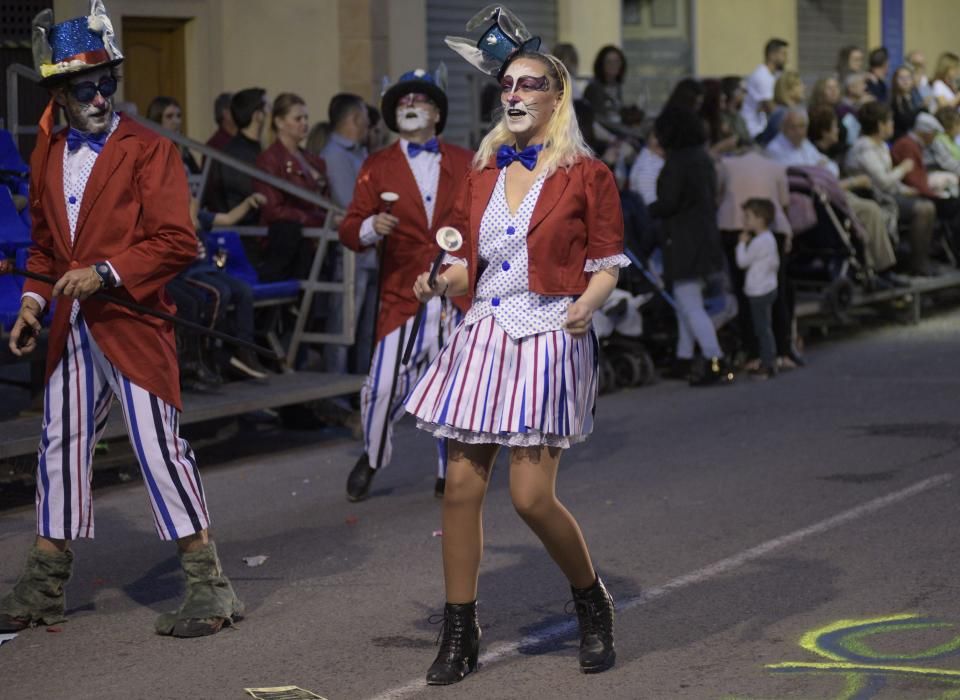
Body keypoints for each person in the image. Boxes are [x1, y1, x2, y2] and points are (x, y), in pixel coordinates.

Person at [0, 1, 242, 638]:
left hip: (133, 323)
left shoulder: (150, 149)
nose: (101, 96)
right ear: (59, 91)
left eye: (108, 82)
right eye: (87, 87)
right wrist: (32, 301)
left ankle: (207, 585)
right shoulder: (47, 151)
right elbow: (46, 247)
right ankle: (45, 582)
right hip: (72, 328)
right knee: (60, 447)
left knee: (158, 449)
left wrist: (106, 271)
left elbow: (176, 241)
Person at [408, 6, 626, 684]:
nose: (515, 93)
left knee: (530, 498)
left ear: (557, 95)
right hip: (486, 332)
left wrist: (586, 308)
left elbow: (608, 264)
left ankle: (592, 601)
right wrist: (440, 281)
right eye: (508, 84)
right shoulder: (482, 174)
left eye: (530, 83)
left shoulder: (587, 175)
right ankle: (459, 630)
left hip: (551, 331)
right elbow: (469, 265)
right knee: (461, 490)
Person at [338, 68, 473, 502]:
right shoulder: (376, 166)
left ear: (437, 113)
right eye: (402, 103)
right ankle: (373, 456)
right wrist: (371, 226)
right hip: (403, 293)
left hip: (455, 291)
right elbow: (348, 228)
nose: (410, 107)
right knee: (381, 385)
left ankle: (446, 470)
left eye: (419, 102)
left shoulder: (467, 160)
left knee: (453, 385)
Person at [649, 106, 731, 385]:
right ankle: (684, 358)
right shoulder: (703, 159)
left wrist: (650, 209)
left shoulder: (676, 163)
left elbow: (669, 202)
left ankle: (714, 359)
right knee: (689, 303)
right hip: (705, 236)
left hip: (682, 240)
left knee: (688, 304)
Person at [320, 93, 377, 375]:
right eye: (366, 117)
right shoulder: (334, 155)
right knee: (344, 327)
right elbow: (348, 202)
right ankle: (337, 393)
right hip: (352, 253)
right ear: (355, 118)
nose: (370, 124)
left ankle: (360, 387)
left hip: (370, 252)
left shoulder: (358, 152)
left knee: (365, 330)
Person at [846, 101, 937, 276]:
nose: (892, 125)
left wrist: (905, 189)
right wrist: (903, 168)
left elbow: (891, 180)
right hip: (871, 197)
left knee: (927, 202)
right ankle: (916, 263)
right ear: (880, 125)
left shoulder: (880, 145)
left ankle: (920, 259)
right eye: (890, 121)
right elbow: (883, 181)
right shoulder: (865, 147)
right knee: (924, 209)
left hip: (886, 193)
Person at [254, 92, 329, 282]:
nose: (304, 123)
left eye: (306, 118)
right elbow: (273, 210)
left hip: (319, 241)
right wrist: (316, 219)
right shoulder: (269, 160)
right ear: (279, 122)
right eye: (297, 118)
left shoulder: (313, 160)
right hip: (290, 246)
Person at [736, 199, 779, 379]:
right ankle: (768, 360)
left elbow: (742, 262)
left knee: (762, 329)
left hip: (758, 290)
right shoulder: (770, 239)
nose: (745, 221)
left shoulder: (757, 242)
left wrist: (741, 244)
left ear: (760, 219)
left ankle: (768, 364)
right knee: (765, 327)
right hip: (768, 287)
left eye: (748, 217)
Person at [741, 38, 788, 140]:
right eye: (783, 54)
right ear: (771, 55)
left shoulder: (771, 76)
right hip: (754, 130)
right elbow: (771, 108)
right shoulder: (761, 75)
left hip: (762, 127)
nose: (786, 59)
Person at [146, 95, 200, 173]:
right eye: (169, 116)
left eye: (178, 116)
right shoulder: (149, 151)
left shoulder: (184, 150)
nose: (177, 121)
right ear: (157, 120)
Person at [890, 66, 923, 141]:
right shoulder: (893, 100)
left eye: (908, 77)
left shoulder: (915, 97)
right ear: (895, 80)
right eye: (901, 78)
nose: (905, 81)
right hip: (900, 139)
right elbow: (905, 122)